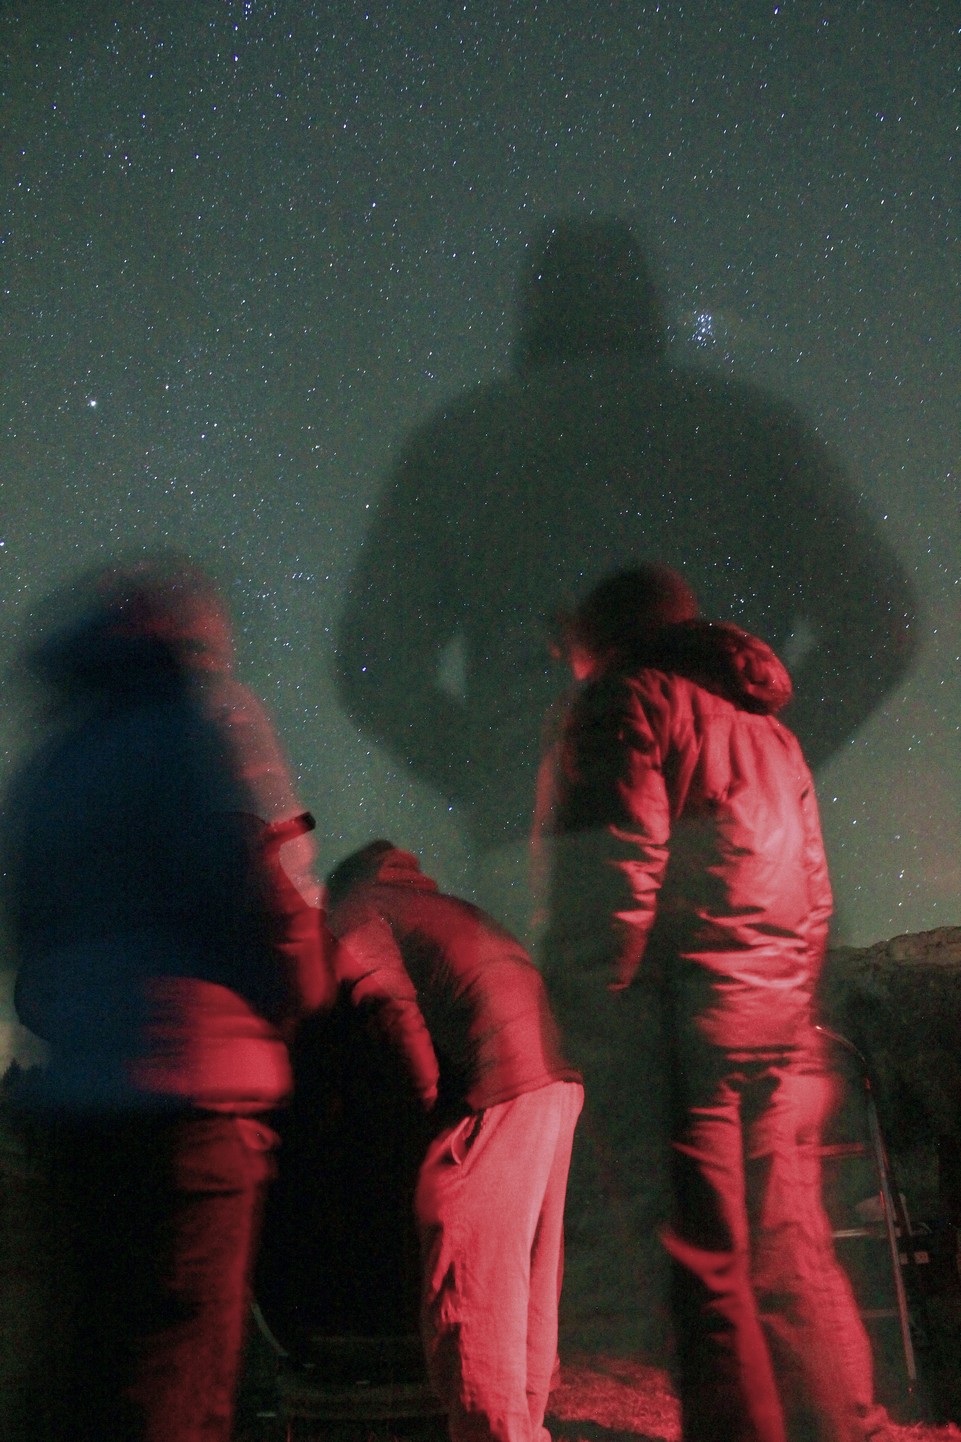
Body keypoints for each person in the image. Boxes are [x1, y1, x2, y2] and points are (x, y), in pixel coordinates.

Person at [336, 217, 917, 939]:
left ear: (533, 310)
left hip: (540, 848)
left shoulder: (457, 447)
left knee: (548, 1015)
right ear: (647, 305)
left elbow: (373, 663)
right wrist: (766, 759)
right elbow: (880, 622)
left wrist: (494, 778)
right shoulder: (755, 431)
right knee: (760, 1012)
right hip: (736, 836)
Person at [535, 563, 880, 1442]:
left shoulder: (626, 701)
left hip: (679, 1032)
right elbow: (813, 892)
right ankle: (840, 1425)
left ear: (603, 635)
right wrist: (788, 1004)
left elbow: (609, 881)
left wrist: (584, 1019)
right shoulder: (770, 733)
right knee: (785, 1248)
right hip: (768, 1022)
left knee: (705, 1265)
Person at [0, 559, 334, 1442]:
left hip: (77, 1112)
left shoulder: (51, 760)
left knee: (90, 1380)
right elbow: (267, 883)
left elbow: (29, 945)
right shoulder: (206, 720)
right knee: (179, 1384)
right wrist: (304, 991)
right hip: (195, 1102)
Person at [324, 840, 584, 1442]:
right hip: (554, 1079)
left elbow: (392, 1010)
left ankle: (491, 1431)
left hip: (496, 1080)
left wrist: (419, 1115)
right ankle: (523, 1428)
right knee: (523, 1276)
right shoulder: (437, 907)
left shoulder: (354, 911)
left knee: (470, 1283)